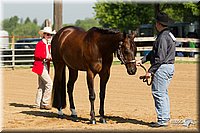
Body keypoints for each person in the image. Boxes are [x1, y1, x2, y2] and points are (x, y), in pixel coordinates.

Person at [136, 12, 176, 128]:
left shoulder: (163, 37)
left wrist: (150, 71)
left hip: (162, 67)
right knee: (163, 93)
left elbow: (160, 57)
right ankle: (165, 117)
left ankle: (162, 120)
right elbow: (155, 53)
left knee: (158, 93)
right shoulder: (168, 34)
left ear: (159, 24)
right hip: (168, 66)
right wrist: (142, 60)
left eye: (156, 23)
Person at [32, 27, 56, 110]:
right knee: (49, 84)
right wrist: (47, 57)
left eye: (50, 35)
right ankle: (45, 102)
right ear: (44, 35)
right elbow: (37, 55)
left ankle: (38, 103)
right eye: (48, 34)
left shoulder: (47, 45)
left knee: (42, 85)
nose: (49, 36)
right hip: (40, 65)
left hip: (44, 65)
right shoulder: (40, 44)